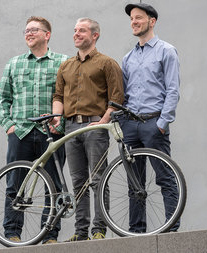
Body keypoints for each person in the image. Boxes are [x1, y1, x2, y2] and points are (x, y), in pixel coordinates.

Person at [0, 16, 68, 244]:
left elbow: (69, 96)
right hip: (21, 133)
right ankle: (12, 234)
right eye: (26, 30)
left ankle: (50, 235)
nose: (28, 33)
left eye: (34, 30)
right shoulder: (14, 64)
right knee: (14, 184)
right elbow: (2, 97)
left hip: (52, 134)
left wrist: (61, 124)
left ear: (47, 35)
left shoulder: (63, 62)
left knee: (54, 185)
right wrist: (9, 126)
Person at [51, 17, 124, 241]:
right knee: (78, 181)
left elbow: (117, 98)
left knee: (98, 179)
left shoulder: (107, 63)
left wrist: (103, 121)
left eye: (81, 31)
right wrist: (56, 118)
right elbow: (58, 96)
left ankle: (99, 229)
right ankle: (81, 232)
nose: (76, 34)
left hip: (95, 125)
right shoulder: (66, 66)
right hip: (71, 127)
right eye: (74, 30)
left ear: (95, 35)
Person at [121, 3, 181, 232]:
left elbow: (173, 89)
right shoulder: (128, 57)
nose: (134, 22)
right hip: (131, 126)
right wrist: (123, 122)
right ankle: (137, 232)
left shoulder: (166, 50)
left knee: (165, 178)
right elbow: (124, 93)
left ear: (152, 21)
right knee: (134, 184)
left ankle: (171, 229)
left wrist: (162, 124)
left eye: (138, 18)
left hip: (154, 124)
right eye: (132, 19)